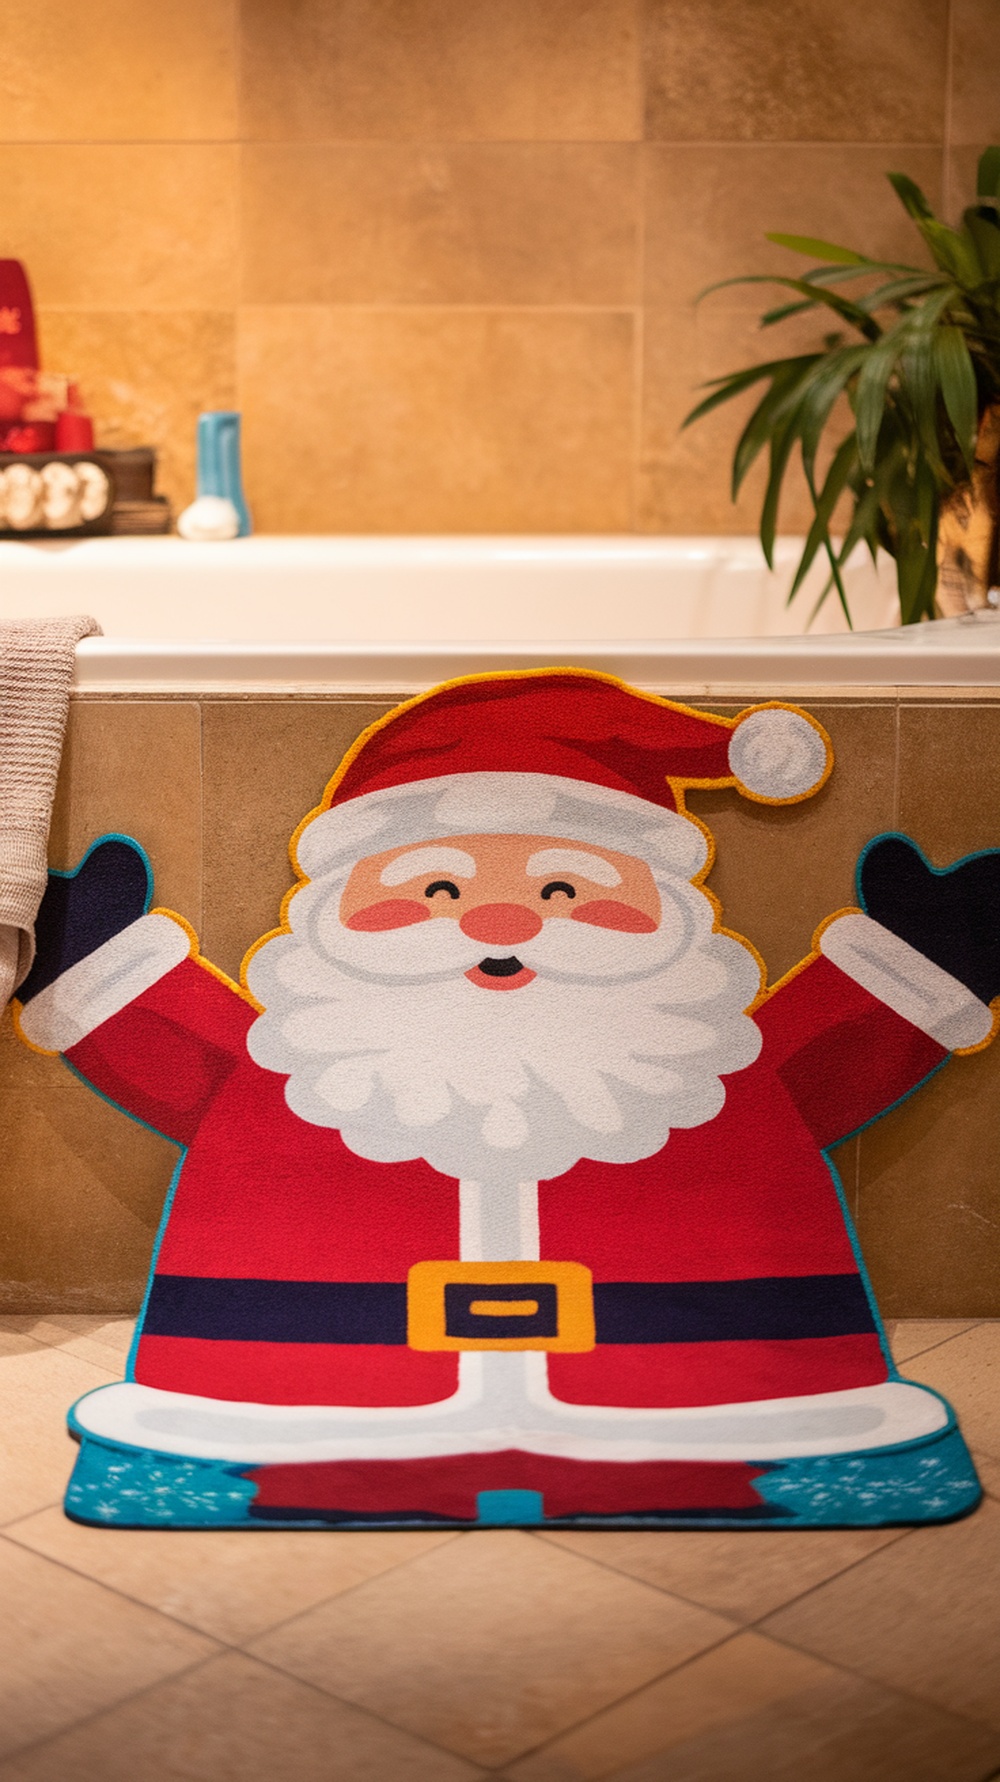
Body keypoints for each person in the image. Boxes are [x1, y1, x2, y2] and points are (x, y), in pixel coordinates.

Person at [16, 671, 997, 1527]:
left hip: (702, 1394)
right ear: (339, 904)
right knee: (281, 1429)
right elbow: (173, 1044)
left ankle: (728, 1444)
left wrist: (919, 960)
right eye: (437, 890)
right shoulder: (298, 1059)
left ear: (661, 903)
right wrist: (92, 957)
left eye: (562, 891)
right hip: (295, 1395)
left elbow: (833, 1053)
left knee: (736, 1440)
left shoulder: (708, 1064)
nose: (500, 920)